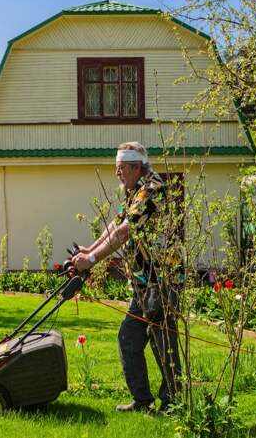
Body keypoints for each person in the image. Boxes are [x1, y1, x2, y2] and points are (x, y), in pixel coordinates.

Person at [72, 141, 181, 413]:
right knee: (129, 338)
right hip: (145, 283)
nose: (117, 173)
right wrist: (90, 249)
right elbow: (116, 223)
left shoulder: (153, 190)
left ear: (135, 167)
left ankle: (172, 403)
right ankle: (143, 401)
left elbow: (124, 232)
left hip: (162, 281)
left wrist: (93, 260)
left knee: (162, 342)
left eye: (120, 168)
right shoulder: (134, 192)